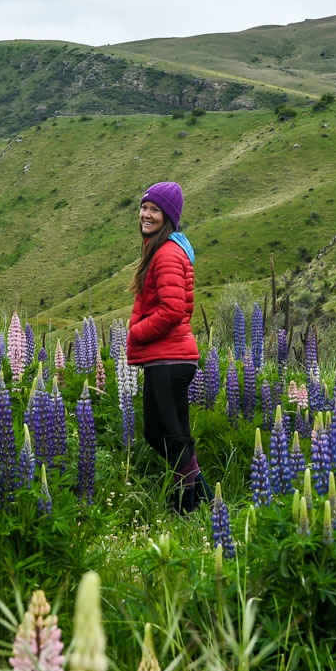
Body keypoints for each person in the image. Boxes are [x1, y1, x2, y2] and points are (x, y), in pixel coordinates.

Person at [126, 181, 210, 514]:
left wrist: (136, 333)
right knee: (156, 433)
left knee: (174, 438)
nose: (146, 214)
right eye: (144, 207)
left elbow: (174, 309)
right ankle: (206, 500)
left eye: (154, 210)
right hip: (164, 358)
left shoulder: (168, 254)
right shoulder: (159, 251)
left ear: (168, 217)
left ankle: (184, 509)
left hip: (170, 358)